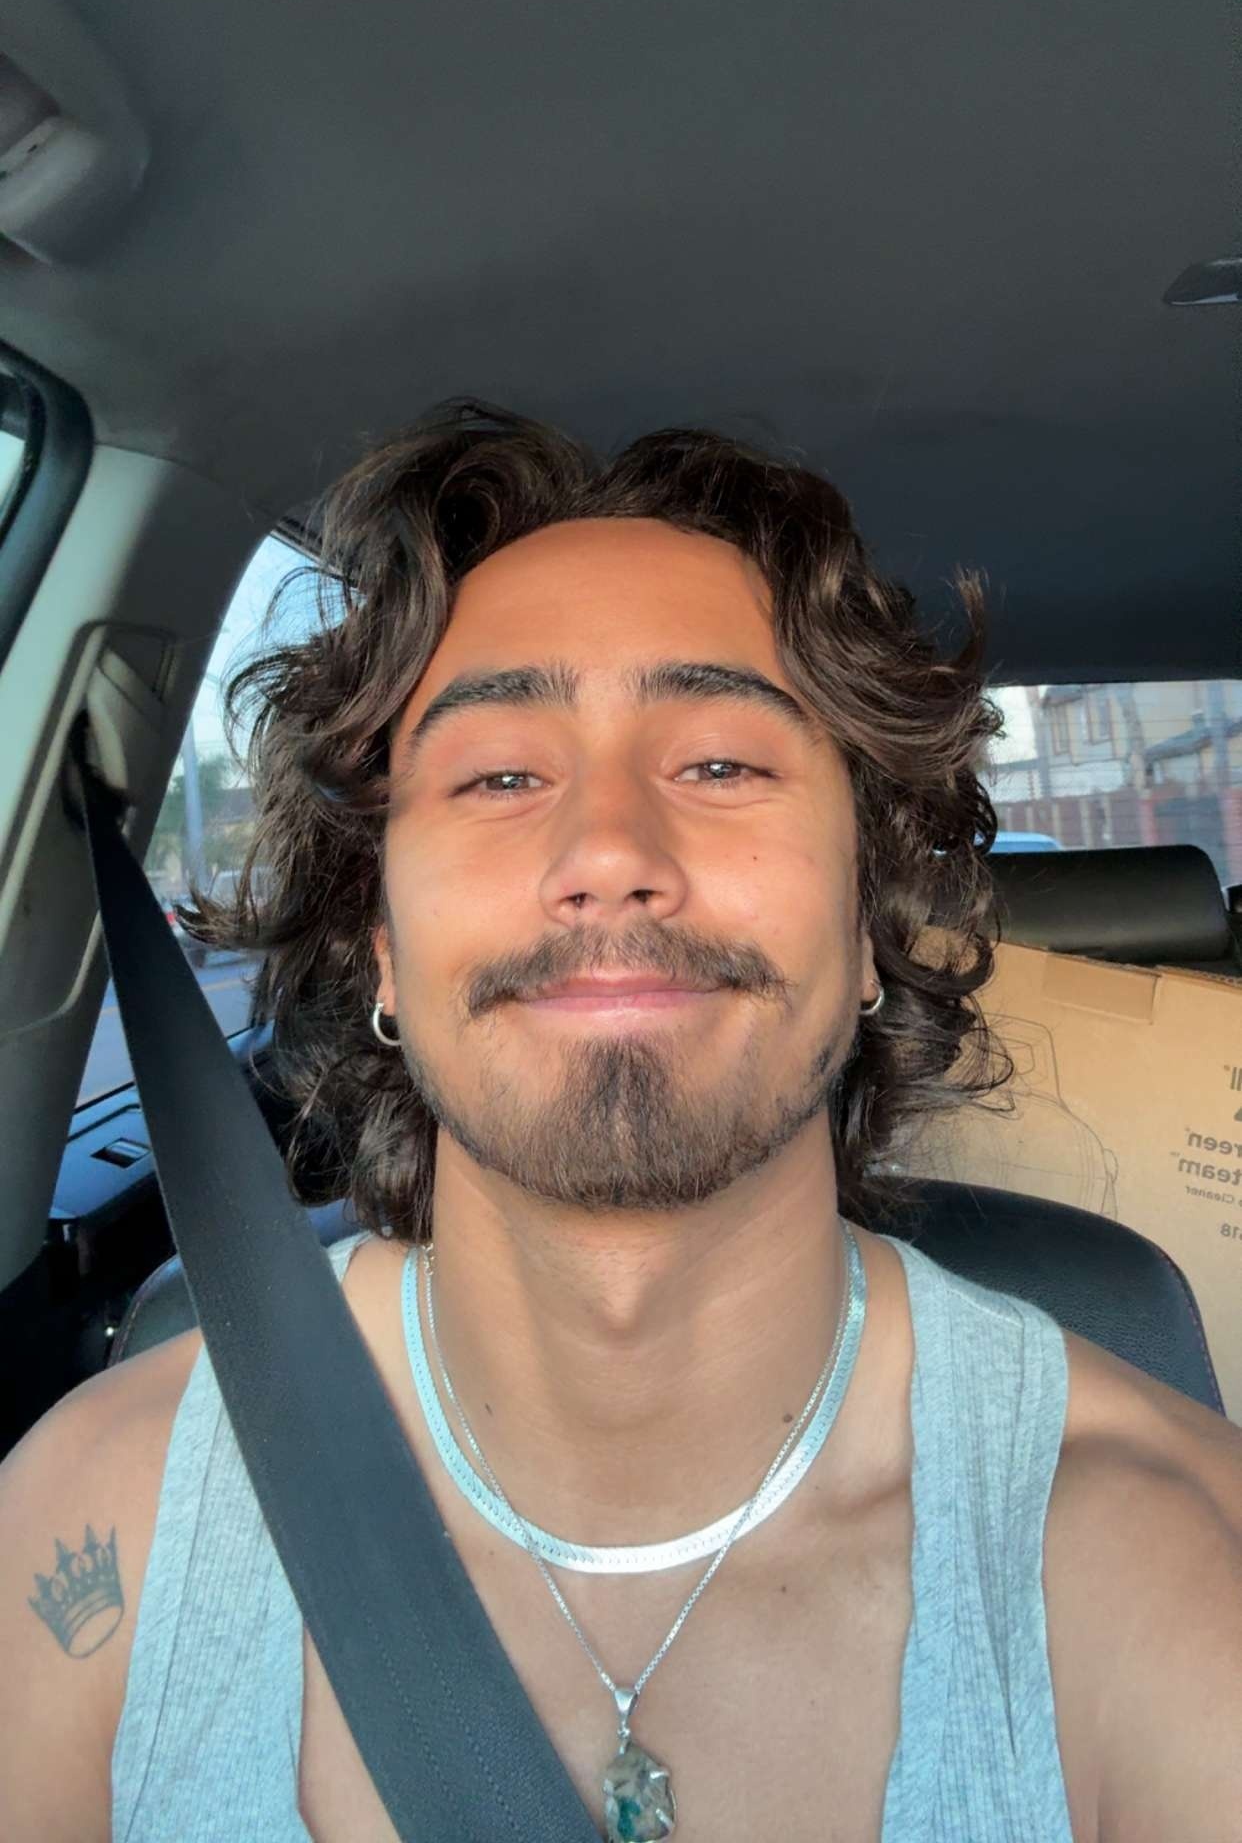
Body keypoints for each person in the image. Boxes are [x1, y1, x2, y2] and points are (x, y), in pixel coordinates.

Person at [2, 401, 1239, 1843]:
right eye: (498, 776)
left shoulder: (1168, 1559)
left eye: (719, 763)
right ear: (383, 948)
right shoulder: (96, 1523)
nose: (605, 853)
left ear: (866, 921)